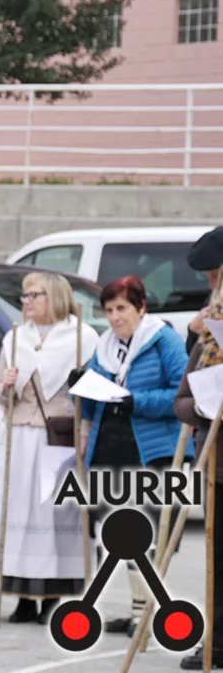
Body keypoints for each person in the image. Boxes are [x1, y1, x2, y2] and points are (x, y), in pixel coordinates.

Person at [0, 272, 99, 624]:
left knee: (52, 517)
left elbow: (93, 395)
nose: (26, 302)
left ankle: (52, 596)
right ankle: (22, 596)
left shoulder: (83, 337)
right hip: (18, 436)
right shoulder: (16, 337)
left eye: (34, 295)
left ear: (54, 296)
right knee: (16, 517)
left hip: (57, 437)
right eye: (24, 296)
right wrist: (7, 386)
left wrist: (86, 431)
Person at [72, 275, 192, 639]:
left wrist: (136, 400)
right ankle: (137, 608)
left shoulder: (164, 340)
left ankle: (146, 612)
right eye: (108, 310)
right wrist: (79, 385)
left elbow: (181, 394)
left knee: (147, 532)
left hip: (152, 449)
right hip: (111, 444)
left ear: (141, 307)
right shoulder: (106, 346)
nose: (114, 317)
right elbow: (92, 397)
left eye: (121, 308)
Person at [174, 272, 223, 670]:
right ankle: (218, 641)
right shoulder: (208, 341)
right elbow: (181, 401)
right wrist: (206, 407)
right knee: (218, 560)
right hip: (216, 467)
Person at [185, 225, 223, 355]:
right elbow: (198, 363)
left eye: (216, 277)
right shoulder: (214, 305)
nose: (212, 286)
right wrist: (194, 332)